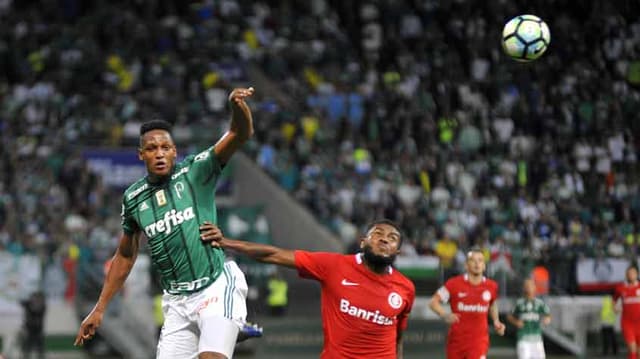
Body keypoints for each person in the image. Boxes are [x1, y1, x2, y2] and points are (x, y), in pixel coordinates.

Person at [75, 87, 256, 359]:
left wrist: (237, 107)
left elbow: (239, 134)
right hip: (177, 303)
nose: (159, 153)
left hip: (216, 285)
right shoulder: (134, 198)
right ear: (141, 155)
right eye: (151, 148)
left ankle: (228, 323)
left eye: (165, 147)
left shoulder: (197, 171)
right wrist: (99, 308)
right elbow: (125, 255)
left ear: (174, 152)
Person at [199, 219, 415, 359]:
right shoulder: (334, 266)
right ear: (362, 242)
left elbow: (398, 338)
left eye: (392, 238)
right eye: (378, 234)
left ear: (397, 251)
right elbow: (274, 254)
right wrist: (226, 242)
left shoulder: (405, 288)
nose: (385, 239)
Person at [429, 248, 506, 359]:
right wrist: (444, 315)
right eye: (473, 260)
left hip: (479, 342)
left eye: (480, 260)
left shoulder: (491, 286)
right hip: (456, 342)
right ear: (466, 265)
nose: (477, 263)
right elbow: (433, 302)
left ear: (484, 266)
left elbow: (492, 304)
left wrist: (496, 321)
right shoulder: (453, 284)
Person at [507, 279, 552, 359]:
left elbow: (548, 315)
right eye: (526, 286)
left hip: (537, 339)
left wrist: (547, 319)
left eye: (530, 285)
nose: (529, 288)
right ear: (523, 288)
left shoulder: (539, 303)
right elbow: (509, 316)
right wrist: (516, 322)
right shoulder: (519, 303)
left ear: (534, 287)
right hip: (523, 339)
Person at [614, 264, 640, 359]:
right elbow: (614, 300)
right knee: (632, 349)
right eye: (629, 273)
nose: (631, 275)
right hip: (627, 323)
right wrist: (615, 308)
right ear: (626, 275)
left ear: (637, 274)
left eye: (633, 273)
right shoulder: (620, 288)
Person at [20, 291, 47, 359]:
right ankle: (26, 355)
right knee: (27, 345)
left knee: (39, 345)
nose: (35, 300)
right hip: (29, 328)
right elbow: (21, 302)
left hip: (38, 328)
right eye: (34, 298)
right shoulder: (28, 304)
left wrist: (29, 305)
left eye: (37, 298)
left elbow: (35, 311)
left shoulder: (42, 306)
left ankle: (40, 355)